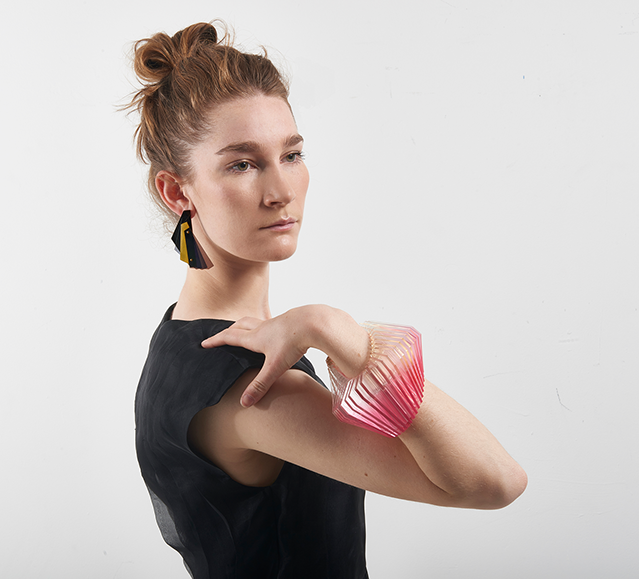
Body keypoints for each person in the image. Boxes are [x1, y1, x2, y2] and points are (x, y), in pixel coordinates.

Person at [129, 22, 527, 578]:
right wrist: (345, 336)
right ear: (177, 192)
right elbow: (495, 482)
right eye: (242, 164)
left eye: (291, 155)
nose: (281, 191)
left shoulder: (180, 336)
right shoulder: (249, 387)